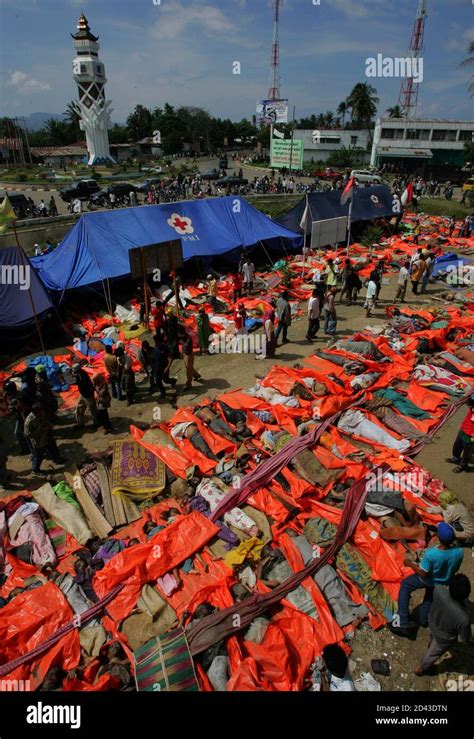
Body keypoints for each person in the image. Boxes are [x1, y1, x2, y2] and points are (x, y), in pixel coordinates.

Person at [391, 522, 464, 636]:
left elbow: (423, 573)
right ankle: (424, 620)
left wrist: (410, 564)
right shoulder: (459, 551)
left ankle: (403, 621)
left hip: (428, 579)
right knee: (429, 596)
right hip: (443, 581)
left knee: (406, 585)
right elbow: (456, 568)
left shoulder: (432, 554)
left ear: (439, 537)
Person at [415, 574, 471, 676]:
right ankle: (421, 669)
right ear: (466, 594)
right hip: (443, 638)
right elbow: (465, 638)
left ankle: (431, 642)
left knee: (432, 639)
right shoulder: (463, 619)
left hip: (433, 621)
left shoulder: (438, 590)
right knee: (431, 655)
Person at [24, 403, 62, 473]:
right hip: (38, 440)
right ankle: (35, 469)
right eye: (40, 410)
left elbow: (45, 421)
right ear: (35, 411)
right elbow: (28, 434)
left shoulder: (41, 413)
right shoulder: (29, 421)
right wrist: (40, 430)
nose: (42, 411)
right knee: (38, 456)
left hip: (47, 436)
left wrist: (49, 427)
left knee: (53, 448)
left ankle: (57, 460)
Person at [445, 393, 474, 473]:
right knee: (457, 445)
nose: (470, 407)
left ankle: (463, 465)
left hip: (470, 435)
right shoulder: (471, 407)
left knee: (467, 452)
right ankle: (456, 458)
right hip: (463, 430)